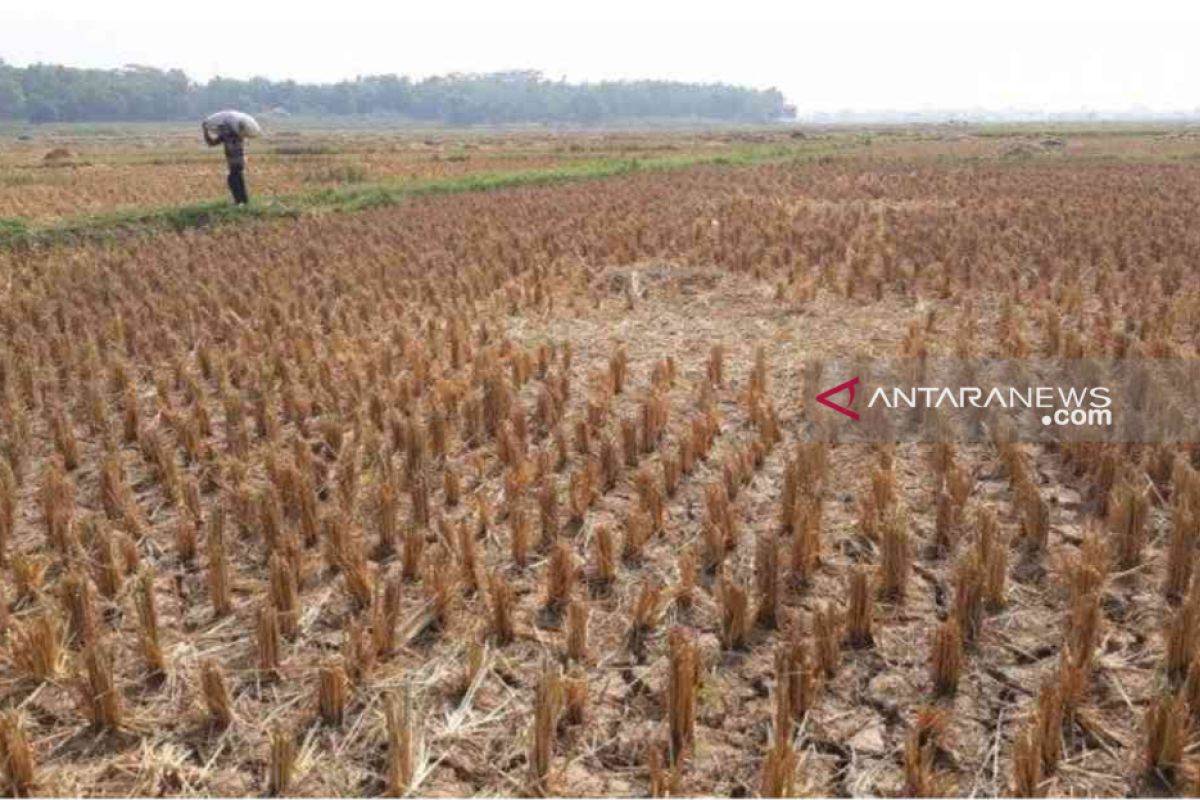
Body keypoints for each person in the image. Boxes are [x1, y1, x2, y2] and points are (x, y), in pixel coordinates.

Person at [203, 121, 249, 205]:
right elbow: (211, 143)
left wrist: (205, 131)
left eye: (222, 129)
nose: (221, 131)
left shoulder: (237, 135)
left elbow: (211, 143)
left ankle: (239, 201)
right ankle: (243, 201)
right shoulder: (227, 136)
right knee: (237, 180)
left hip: (237, 162)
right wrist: (205, 131)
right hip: (235, 162)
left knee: (233, 180)